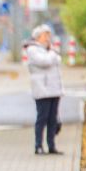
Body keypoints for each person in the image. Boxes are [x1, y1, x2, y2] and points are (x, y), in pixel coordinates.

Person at [27, 23, 63, 154]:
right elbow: (45, 62)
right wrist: (52, 53)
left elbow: (57, 61)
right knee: (42, 118)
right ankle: (38, 145)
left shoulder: (50, 50)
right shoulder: (32, 50)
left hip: (54, 89)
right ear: (38, 37)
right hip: (42, 90)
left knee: (53, 119)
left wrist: (51, 53)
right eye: (45, 35)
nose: (48, 38)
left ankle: (51, 145)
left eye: (49, 35)